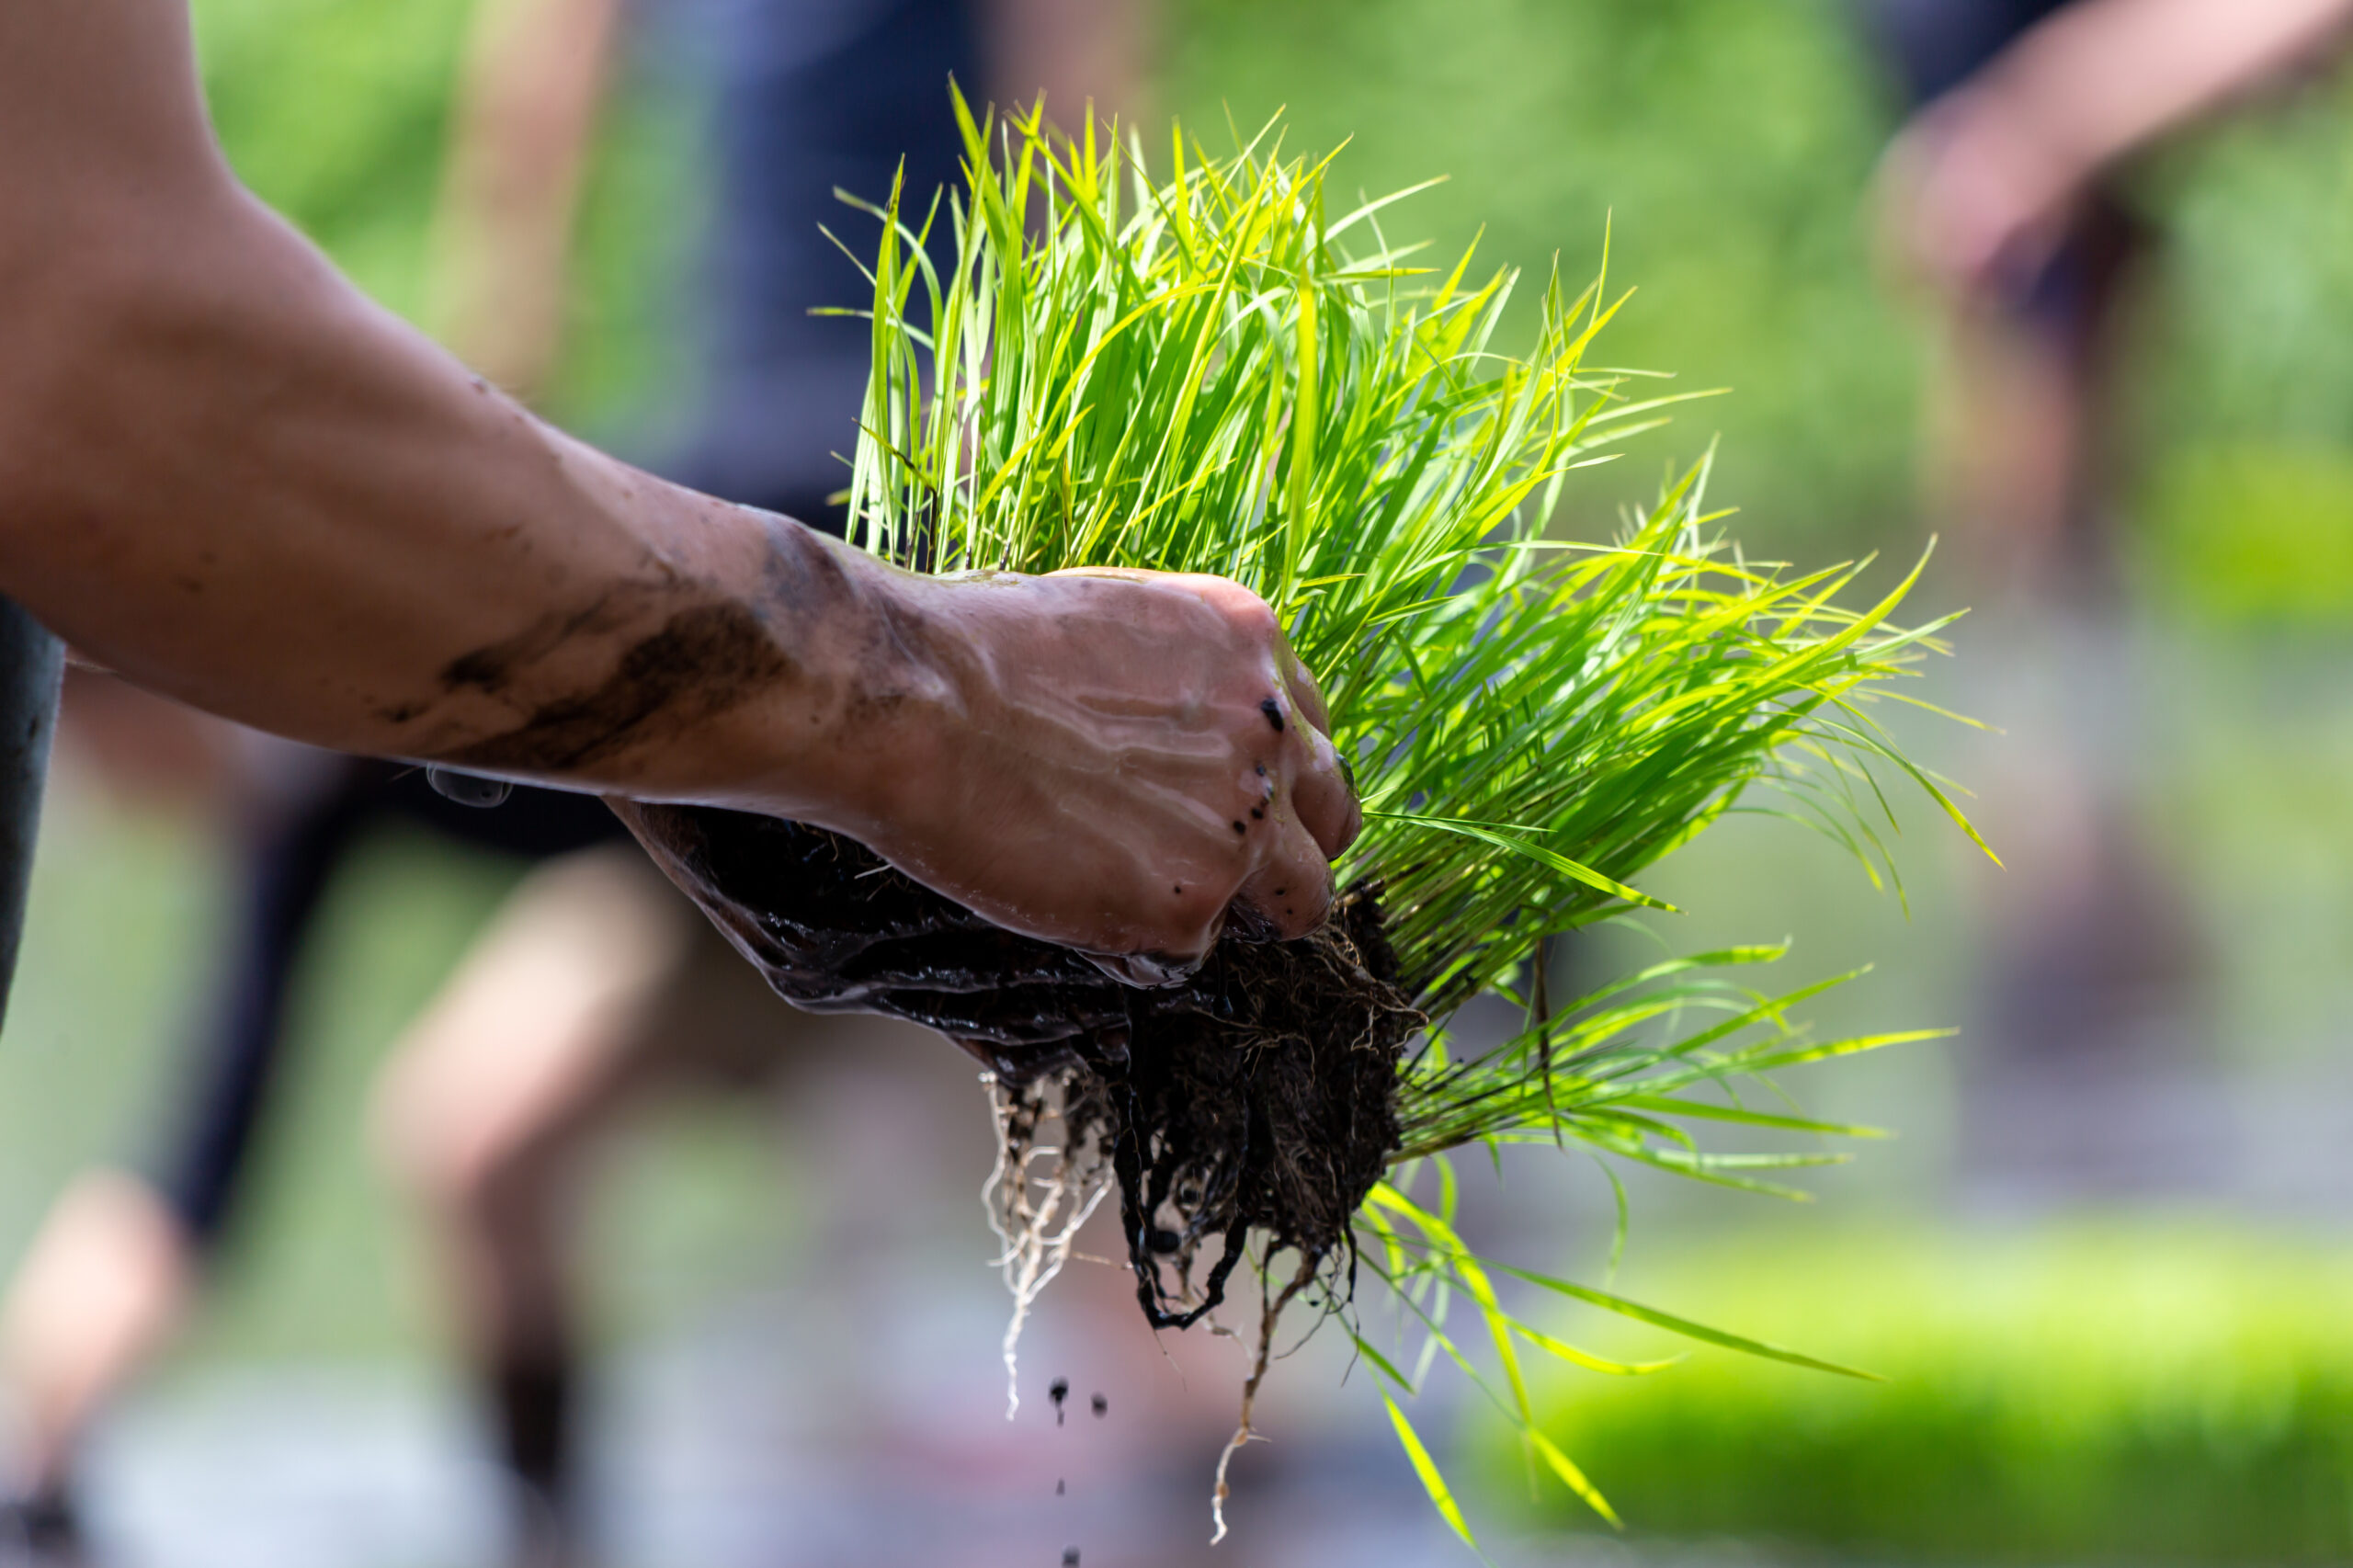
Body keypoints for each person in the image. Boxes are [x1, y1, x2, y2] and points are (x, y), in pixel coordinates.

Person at [0, 0, 1358, 999]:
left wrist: (1007, 556)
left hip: (908, 465)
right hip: (754, 497)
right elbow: (89, 360)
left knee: (486, 1127)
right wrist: (940, 703)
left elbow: (1081, 147)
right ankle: (166, 1226)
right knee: (477, 1141)